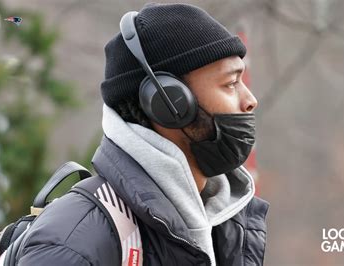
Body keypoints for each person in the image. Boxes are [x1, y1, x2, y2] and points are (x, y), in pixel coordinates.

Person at [17, 3, 269, 266]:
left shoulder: (228, 226)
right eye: (230, 84)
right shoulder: (75, 243)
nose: (251, 101)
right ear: (169, 103)